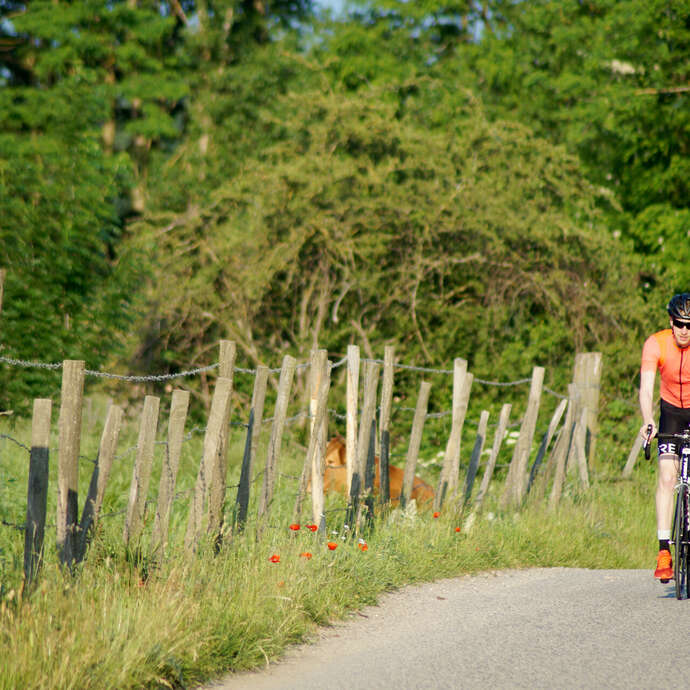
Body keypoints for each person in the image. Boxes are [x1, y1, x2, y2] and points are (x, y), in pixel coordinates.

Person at [640, 293, 690, 580]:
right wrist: (647, 419)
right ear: (671, 322)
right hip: (670, 410)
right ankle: (663, 551)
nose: (685, 330)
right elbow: (646, 388)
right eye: (680, 323)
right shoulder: (655, 343)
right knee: (667, 477)